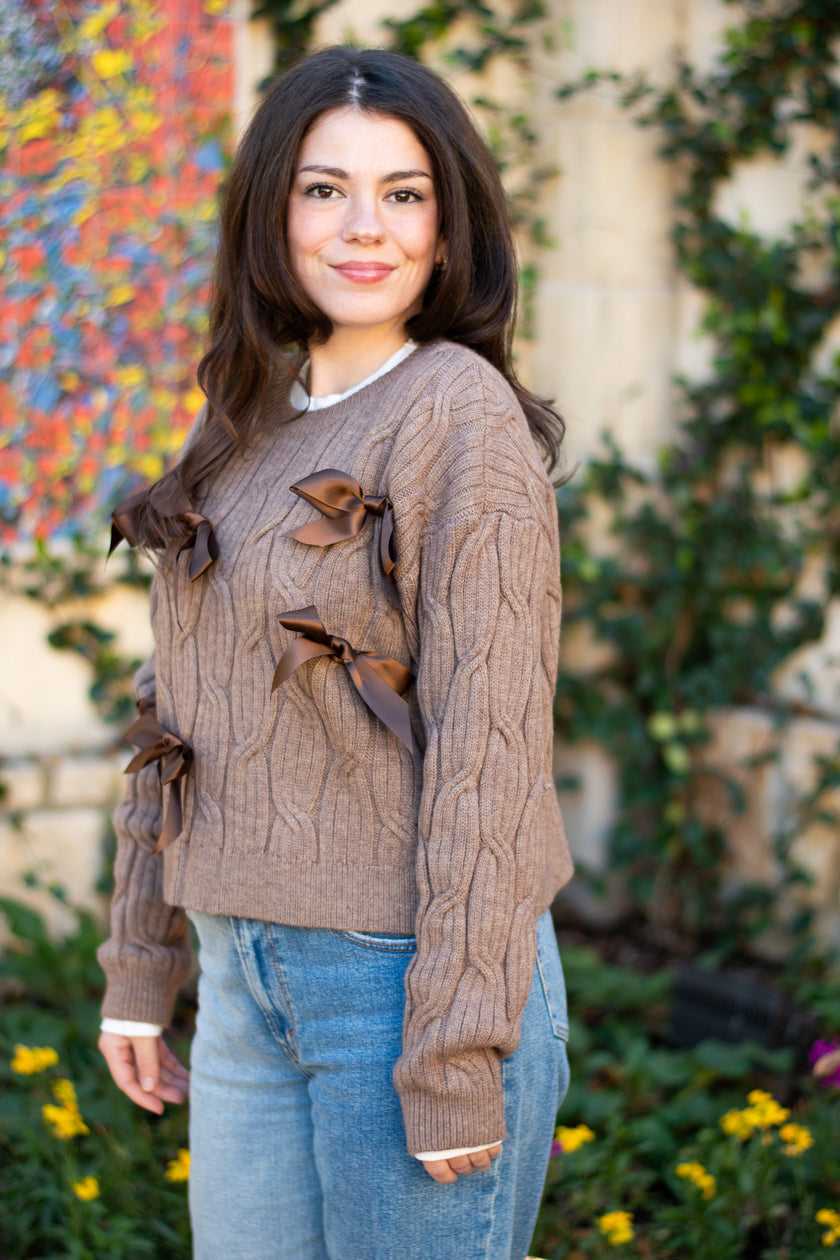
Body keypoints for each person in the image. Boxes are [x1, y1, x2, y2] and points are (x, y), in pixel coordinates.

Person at [97, 45, 573, 1260]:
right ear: (273, 212)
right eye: (325, 189)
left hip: (401, 983)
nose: (366, 227)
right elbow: (177, 702)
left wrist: (458, 1049)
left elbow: (489, 750)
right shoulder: (249, 419)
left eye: (404, 193)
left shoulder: (455, 414)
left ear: (450, 220)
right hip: (243, 976)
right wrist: (140, 961)